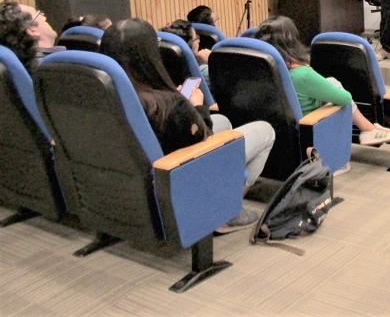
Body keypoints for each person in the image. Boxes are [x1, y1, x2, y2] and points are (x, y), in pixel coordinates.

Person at [100, 18, 276, 233]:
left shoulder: (111, 95)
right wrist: (196, 106)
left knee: (224, 121)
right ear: (146, 55)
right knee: (265, 131)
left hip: (137, 175)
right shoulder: (168, 105)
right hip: (179, 173)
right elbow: (200, 140)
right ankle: (225, 211)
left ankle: (220, 193)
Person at [254, 15, 390, 146]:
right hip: (310, 131)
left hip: (278, 134)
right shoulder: (302, 74)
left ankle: (369, 129)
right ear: (291, 41)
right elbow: (345, 98)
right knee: (335, 86)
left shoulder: (263, 72)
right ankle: (368, 129)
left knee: (329, 84)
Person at [0, 0, 60, 73]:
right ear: (32, 29)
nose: (44, 17)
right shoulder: (61, 67)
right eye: (38, 14)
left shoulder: (22, 68)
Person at [160, 19, 212, 85]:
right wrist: (212, 63)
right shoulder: (203, 72)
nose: (199, 41)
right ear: (188, 46)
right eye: (196, 38)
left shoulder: (162, 73)